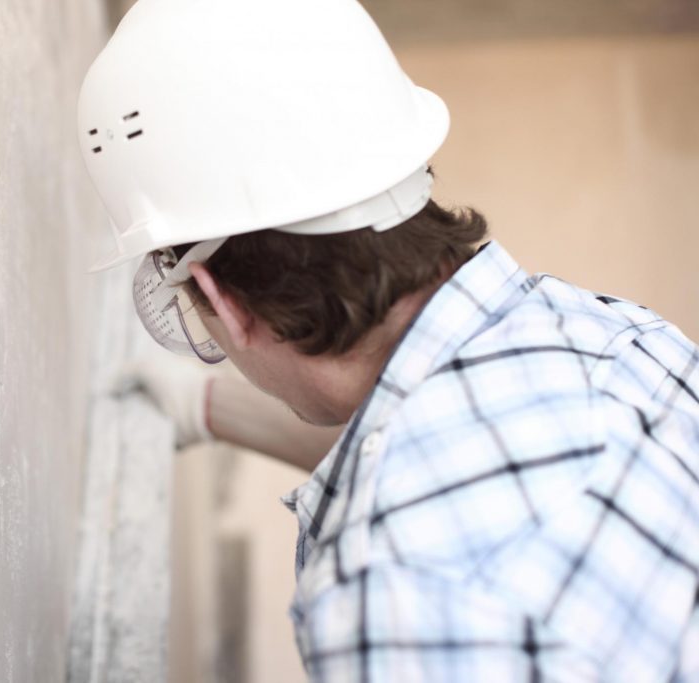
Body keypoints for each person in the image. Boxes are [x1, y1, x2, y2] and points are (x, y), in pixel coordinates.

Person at [77, 0, 699, 680]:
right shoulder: (627, 340)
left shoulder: (390, 596)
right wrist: (209, 409)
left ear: (220, 299)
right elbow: (457, 437)